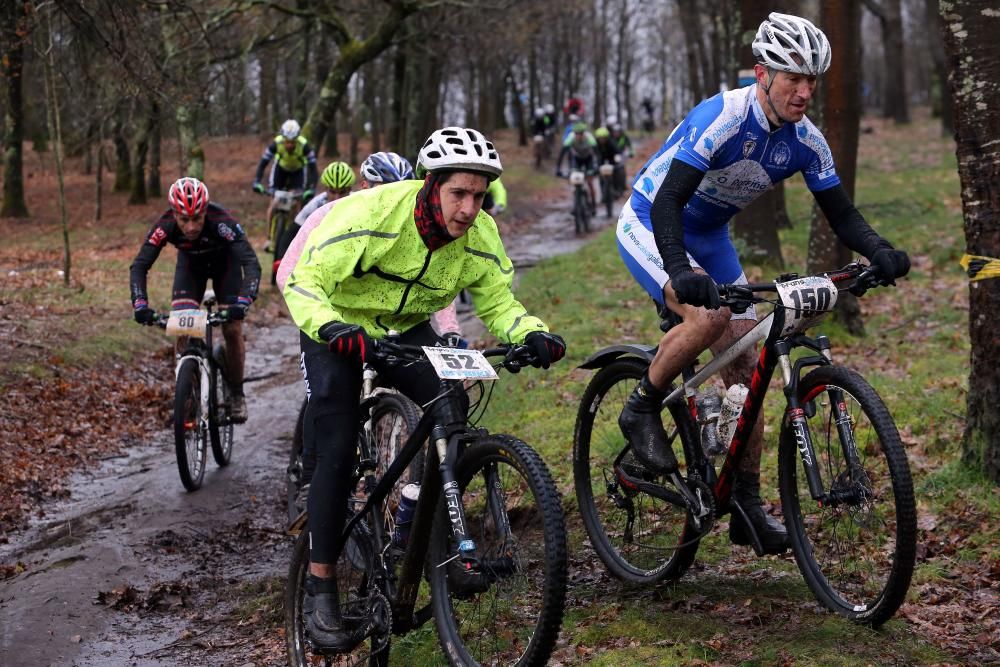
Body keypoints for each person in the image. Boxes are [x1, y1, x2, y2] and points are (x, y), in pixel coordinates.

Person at [614, 12, 910, 555]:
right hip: (653, 222)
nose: (804, 91)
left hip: (711, 236)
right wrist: (681, 270)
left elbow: (841, 215)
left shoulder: (806, 141)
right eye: (792, 78)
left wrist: (879, 250)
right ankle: (640, 405)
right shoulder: (723, 117)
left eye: (811, 80)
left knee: (749, 371)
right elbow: (668, 201)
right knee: (707, 318)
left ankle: (745, 502)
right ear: (761, 75)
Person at [282, 126, 566, 651]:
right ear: (430, 185)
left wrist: (531, 333)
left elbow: (499, 303)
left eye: (479, 196)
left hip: (407, 326)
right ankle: (321, 588)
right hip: (339, 326)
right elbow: (303, 280)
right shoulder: (371, 215)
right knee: (338, 448)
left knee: (451, 402)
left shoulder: (479, 234)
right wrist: (332, 328)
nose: (468, 209)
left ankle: (432, 547)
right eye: (459, 193)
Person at [130, 177, 261, 423]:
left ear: (205, 212)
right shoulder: (165, 224)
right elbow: (139, 265)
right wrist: (140, 303)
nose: (191, 227)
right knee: (182, 327)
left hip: (226, 268)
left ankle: (236, 394)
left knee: (232, 328)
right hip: (191, 270)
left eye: (197, 218)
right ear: (174, 214)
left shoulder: (222, 221)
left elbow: (250, 262)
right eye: (184, 220)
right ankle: (186, 395)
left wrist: (244, 301)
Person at [252, 119, 319, 248]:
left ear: (297, 139)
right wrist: (257, 181)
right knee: (273, 201)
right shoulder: (276, 144)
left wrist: (311, 188)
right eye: (287, 142)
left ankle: (297, 235)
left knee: (298, 202)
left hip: (298, 172)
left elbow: (313, 169)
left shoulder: (304, 146)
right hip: (280, 170)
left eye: (292, 142)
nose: (289, 145)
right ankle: (269, 238)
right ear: (283, 139)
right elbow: (263, 163)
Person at [555, 121, 600, 213]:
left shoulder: (589, 138)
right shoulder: (570, 137)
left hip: (588, 159)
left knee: (590, 182)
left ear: (584, 133)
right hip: (577, 159)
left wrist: (597, 166)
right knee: (575, 181)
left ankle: (593, 205)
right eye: (576, 134)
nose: (578, 136)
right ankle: (576, 203)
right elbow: (562, 153)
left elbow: (597, 153)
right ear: (574, 133)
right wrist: (558, 168)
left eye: (580, 134)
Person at [594, 126, 624, 198]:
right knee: (600, 174)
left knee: (617, 171)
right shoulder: (596, 144)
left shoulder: (611, 142)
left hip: (611, 158)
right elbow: (595, 154)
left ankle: (618, 190)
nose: (602, 140)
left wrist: (618, 159)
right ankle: (603, 193)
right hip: (601, 158)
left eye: (603, 138)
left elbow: (618, 151)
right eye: (600, 138)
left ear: (607, 138)